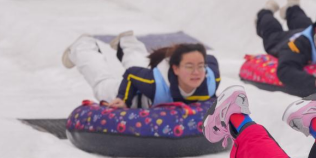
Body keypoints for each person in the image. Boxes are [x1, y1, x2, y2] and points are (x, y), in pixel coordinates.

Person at [62, 32, 220, 108]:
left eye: (200, 66)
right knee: (102, 84)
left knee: (144, 68)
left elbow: (211, 60)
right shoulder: (155, 84)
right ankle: (82, 47)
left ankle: (127, 42)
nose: (196, 72)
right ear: (176, 69)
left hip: (150, 79)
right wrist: (123, 99)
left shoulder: (211, 80)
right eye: (189, 67)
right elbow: (131, 75)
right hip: (135, 95)